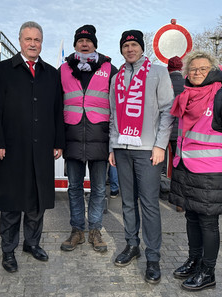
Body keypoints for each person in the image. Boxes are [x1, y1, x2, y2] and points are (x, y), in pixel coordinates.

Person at [0, 21, 65, 273]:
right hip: (11, 147)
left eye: (37, 40)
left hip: (42, 147)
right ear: (20, 41)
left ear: (42, 43)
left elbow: (57, 111)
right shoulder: (3, 70)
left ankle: (32, 243)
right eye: (28, 39)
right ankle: (8, 250)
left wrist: (58, 142)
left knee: (37, 202)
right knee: (11, 203)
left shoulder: (51, 73)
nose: (33, 44)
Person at [170, 51, 222, 290]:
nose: (196, 73)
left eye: (202, 69)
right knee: (191, 217)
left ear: (213, 70)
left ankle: (208, 271)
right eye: (192, 69)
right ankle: (194, 261)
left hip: (212, 171)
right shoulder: (186, 96)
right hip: (186, 168)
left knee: (207, 223)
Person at [108, 30, 174, 284]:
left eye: (134, 44)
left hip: (148, 150)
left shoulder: (158, 72)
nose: (130, 49)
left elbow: (168, 111)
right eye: (126, 45)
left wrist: (160, 146)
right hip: (123, 148)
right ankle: (131, 245)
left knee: (148, 203)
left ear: (141, 47)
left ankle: (153, 256)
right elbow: (114, 114)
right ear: (122, 49)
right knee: (127, 201)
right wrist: (113, 146)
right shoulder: (116, 78)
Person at [59, 24, 118, 253]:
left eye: (88, 40)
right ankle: (77, 230)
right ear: (75, 45)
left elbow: (116, 105)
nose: (85, 43)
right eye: (80, 40)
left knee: (98, 189)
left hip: (99, 138)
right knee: (74, 188)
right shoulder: (63, 69)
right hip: (72, 137)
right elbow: (57, 104)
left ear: (95, 44)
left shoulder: (109, 69)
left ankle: (95, 230)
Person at [167, 56, 184, 211]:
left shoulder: (165, 82)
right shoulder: (187, 84)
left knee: (155, 162)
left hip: (164, 128)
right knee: (179, 165)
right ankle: (179, 201)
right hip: (180, 130)